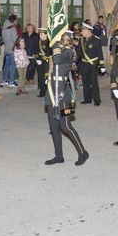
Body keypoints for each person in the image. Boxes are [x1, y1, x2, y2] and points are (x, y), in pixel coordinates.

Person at [44, 31, 89, 166]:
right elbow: (51, 66)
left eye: (60, 36)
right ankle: (59, 156)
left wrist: (56, 45)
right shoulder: (57, 49)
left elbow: (57, 60)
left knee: (66, 126)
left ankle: (83, 152)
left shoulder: (68, 51)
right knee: (54, 127)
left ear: (66, 38)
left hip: (63, 93)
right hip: (52, 91)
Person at [77, 22, 105, 106]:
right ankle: (87, 99)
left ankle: (97, 100)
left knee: (94, 83)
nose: (81, 32)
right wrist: (74, 61)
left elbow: (100, 53)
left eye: (83, 30)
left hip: (93, 64)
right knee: (85, 83)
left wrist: (102, 65)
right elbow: (79, 52)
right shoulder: (81, 40)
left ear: (88, 31)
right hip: (84, 64)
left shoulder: (96, 40)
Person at [1, 14, 19, 87]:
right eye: (16, 20)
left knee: (6, 65)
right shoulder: (12, 28)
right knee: (12, 66)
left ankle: (5, 80)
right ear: (14, 20)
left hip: (6, 49)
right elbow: (15, 39)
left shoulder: (4, 27)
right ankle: (11, 81)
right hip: (12, 50)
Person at [36, 28, 51, 97]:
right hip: (39, 62)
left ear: (46, 35)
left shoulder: (49, 42)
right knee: (40, 77)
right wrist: (36, 59)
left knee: (46, 77)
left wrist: (42, 60)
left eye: (42, 34)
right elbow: (36, 52)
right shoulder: (39, 42)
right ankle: (42, 92)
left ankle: (49, 92)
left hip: (47, 62)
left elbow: (49, 53)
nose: (40, 36)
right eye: (39, 34)